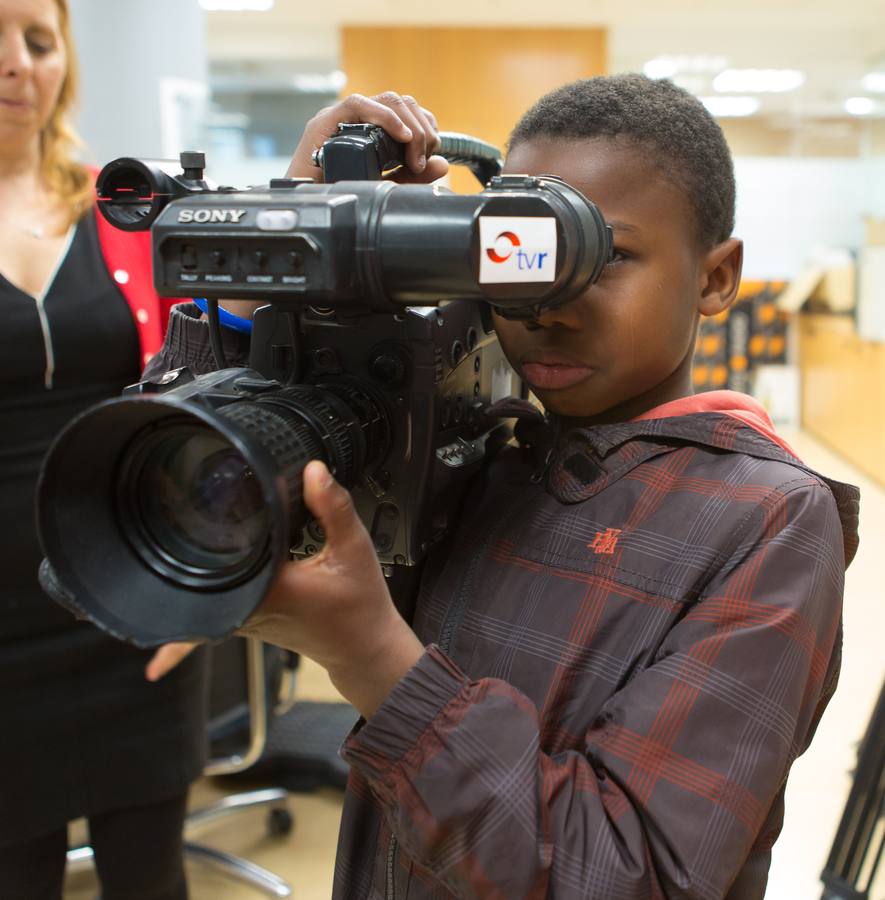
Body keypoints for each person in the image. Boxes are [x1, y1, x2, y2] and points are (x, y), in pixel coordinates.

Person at [145, 78, 859, 899]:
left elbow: (624, 876)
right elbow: (166, 473)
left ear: (715, 278)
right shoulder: (481, 449)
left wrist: (374, 658)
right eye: (519, 253)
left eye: (605, 255)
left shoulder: (768, 520)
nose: (545, 302)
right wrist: (275, 254)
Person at [0, 1, 206, 897]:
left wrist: (201, 590)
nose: (17, 66)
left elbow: (200, 410)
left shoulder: (121, 211)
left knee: (150, 876)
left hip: (131, 607)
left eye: (38, 42)